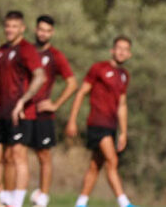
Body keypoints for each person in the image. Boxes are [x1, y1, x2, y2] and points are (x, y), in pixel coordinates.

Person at [0, 11, 45, 207]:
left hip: (21, 113)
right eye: (7, 26)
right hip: (0, 112)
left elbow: (40, 76)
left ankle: (16, 203)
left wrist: (23, 101)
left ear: (22, 28)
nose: (10, 29)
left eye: (14, 26)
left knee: (17, 157)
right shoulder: (2, 50)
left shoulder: (27, 49)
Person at [66, 36, 136, 207]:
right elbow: (81, 92)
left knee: (95, 165)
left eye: (125, 49)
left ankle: (81, 203)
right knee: (112, 161)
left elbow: (122, 105)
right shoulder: (99, 68)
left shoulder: (124, 76)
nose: (121, 52)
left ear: (129, 54)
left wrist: (123, 132)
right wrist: (72, 120)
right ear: (112, 50)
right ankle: (124, 203)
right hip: (97, 123)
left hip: (111, 126)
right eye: (118, 47)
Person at [29, 15, 77, 207]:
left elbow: (72, 83)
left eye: (47, 30)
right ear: (35, 30)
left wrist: (55, 104)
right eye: (41, 29)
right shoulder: (27, 51)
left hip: (43, 113)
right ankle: (10, 197)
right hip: (23, 111)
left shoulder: (55, 56)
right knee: (13, 154)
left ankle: (43, 198)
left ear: (52, 33)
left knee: (43, 155)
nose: (43, 33)